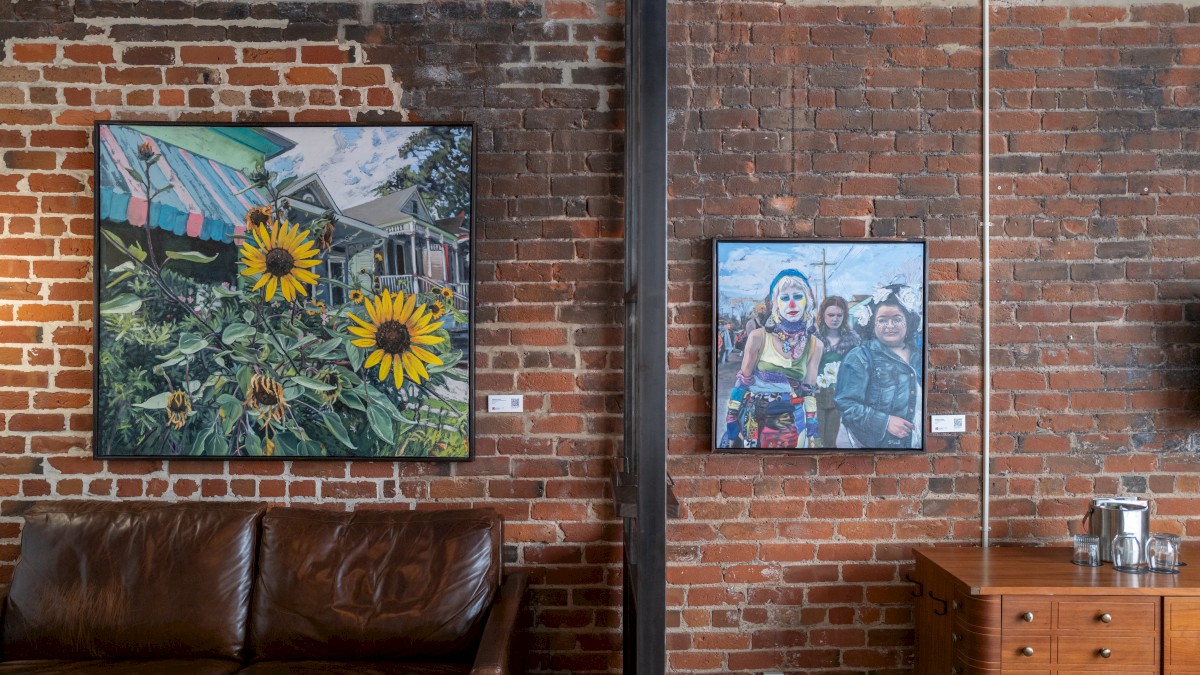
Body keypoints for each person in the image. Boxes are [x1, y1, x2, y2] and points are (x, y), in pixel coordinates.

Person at [720, 269, 824, 449]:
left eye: (798, 296)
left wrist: (813, 430)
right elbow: (742, 384)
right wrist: (731, 423)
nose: (791, 304)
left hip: (793, 423)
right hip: (755, 421)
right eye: (784, 298)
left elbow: (808, 392)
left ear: (807, 301)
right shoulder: (758, 337)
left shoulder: (815, 345)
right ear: (776, 304)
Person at [834, 284, 922, 449]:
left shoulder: (919, 355)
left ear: (908, 322)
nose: (890, 325)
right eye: (882, 320)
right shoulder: (860, 357)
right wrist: (885, 422)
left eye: (897, 319)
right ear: (872, 324)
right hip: (872, 447)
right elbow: (846, 403)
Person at [813, 295, 859, 448]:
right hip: (815, 396)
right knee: (817, 440)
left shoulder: (852, 341)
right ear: (823, 315)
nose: (835, 319)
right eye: (831, 315)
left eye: (839, 315)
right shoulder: (813, 339)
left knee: (831, 441)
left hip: (838, 397)